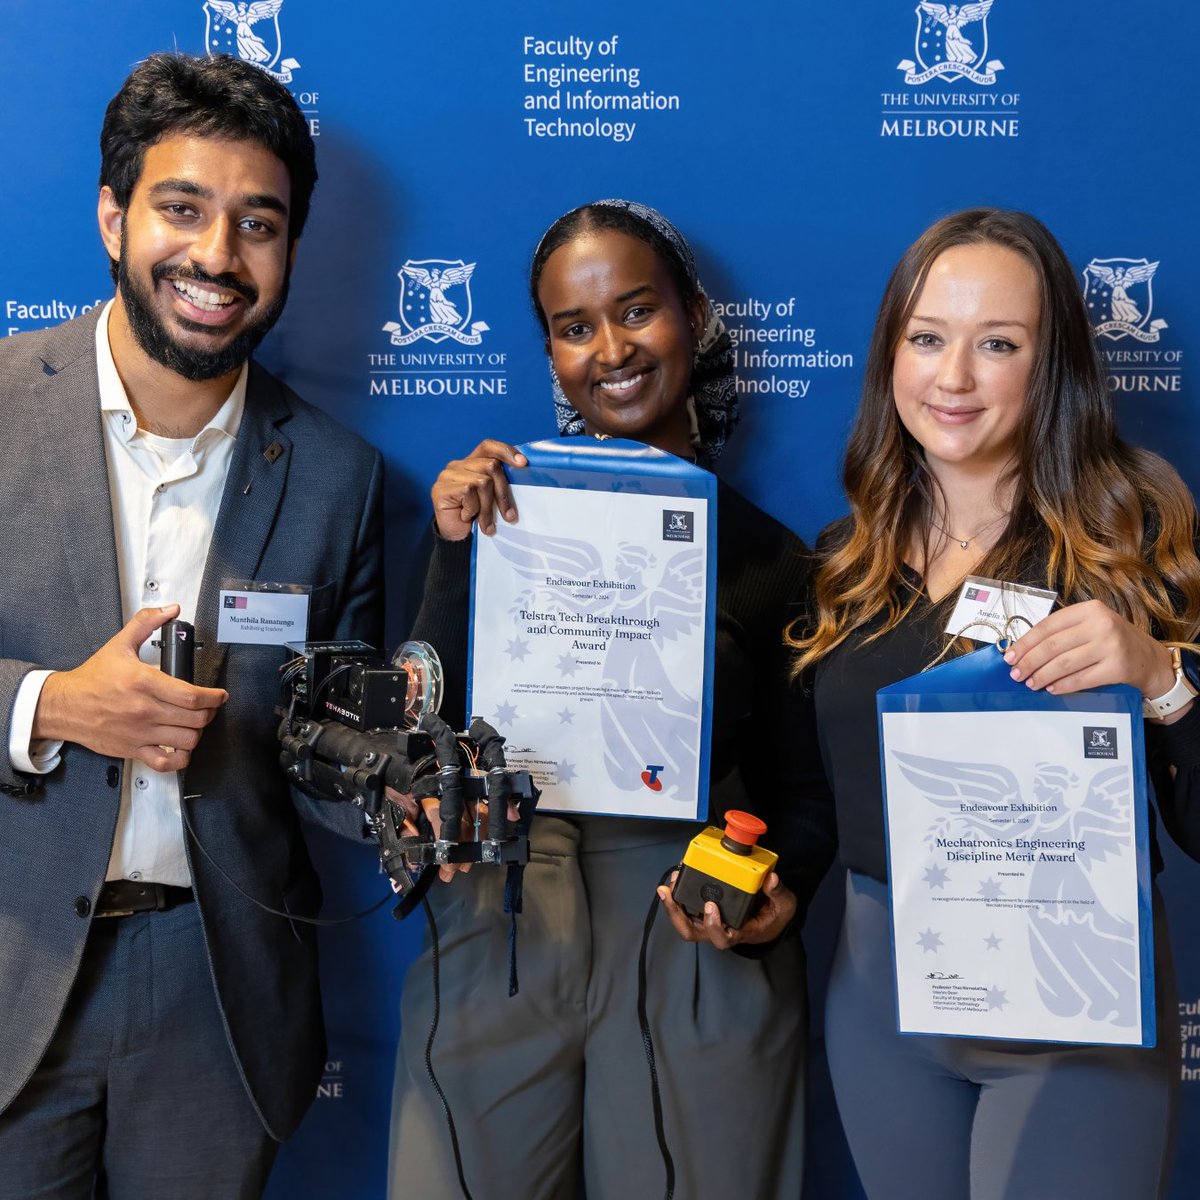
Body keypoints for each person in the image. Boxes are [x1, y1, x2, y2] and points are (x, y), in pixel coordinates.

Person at [388, 199, 835, 1200]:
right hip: (501, 921)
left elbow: (804, 797)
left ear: (695, 317)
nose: (611, 349)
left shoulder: (768, 559)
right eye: (574, 326)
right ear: (548, 350)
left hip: (690, 929)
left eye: (637, 311)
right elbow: (418, 732)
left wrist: (776, 891)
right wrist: (456, 557)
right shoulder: (484, 522)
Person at [0, 53, 383, 1198]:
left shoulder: (338, 478)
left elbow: (323, 739)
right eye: (182, 208)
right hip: (12, 966)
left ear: (291, 253)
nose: (218, 256)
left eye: (257, 224)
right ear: (114, 216)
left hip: (218, 999)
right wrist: (50, 704)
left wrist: (387, 788)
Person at [789, 207, 1200, 1200]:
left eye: (998, 344)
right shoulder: (847, 561)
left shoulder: (1131, 540)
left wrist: (1162, 681)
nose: (954, 378)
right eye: (927, 339)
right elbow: (815, 801)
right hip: (880, 1000)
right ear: (891, 353)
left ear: (1050, 364)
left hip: (1073, 1004)